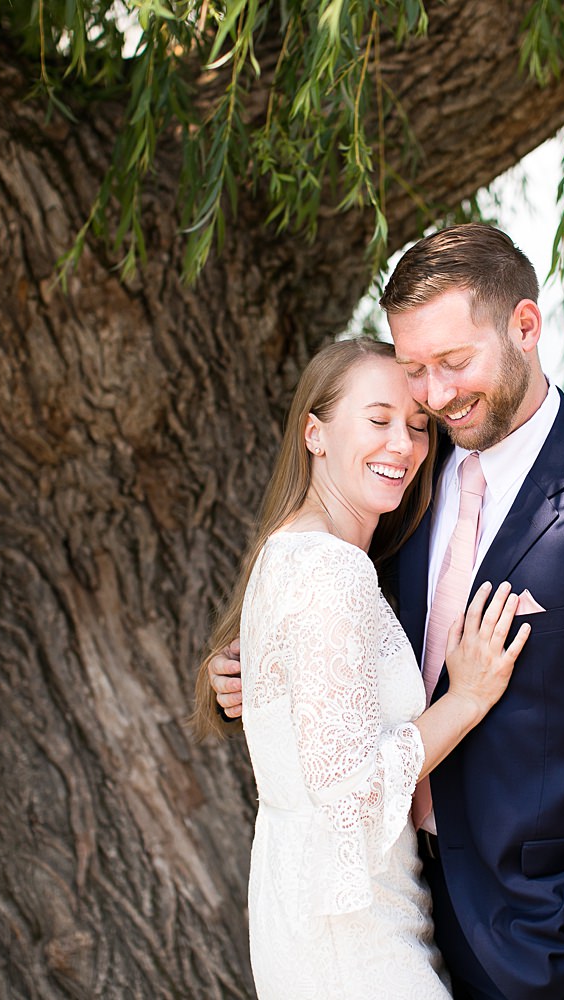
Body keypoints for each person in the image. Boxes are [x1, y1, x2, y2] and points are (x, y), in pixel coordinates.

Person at [211, 224, 564, 1000]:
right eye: (415, 370)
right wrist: (255, 678)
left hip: (536, 939)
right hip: (387, 907)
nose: (436, 397)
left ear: (524, 327)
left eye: (454, 362)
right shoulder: (409, 472)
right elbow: (341, 634)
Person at [192, 338, 531, 999]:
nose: (401, 447)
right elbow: (350, 796)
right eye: (377, 421)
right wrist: (466, 699)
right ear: (315, 433)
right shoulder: (332, 569)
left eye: (417, 426)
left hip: (305, 904)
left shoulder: (289, 550)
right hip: (353, 934)